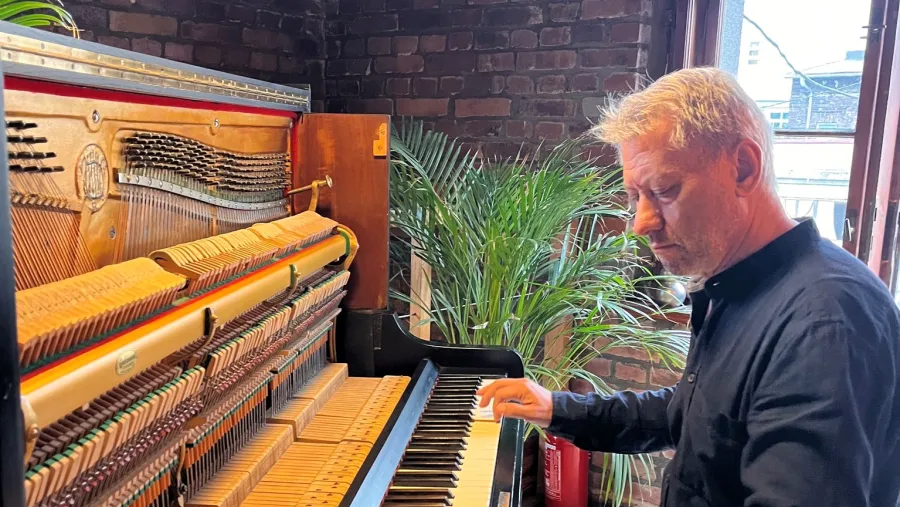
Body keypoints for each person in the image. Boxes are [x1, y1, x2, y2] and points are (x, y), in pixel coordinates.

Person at [476, 67, 900, 506]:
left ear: (743, 168)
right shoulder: (740, 286)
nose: (641, 223)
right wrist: (554, 407)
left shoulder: (826, 322)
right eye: (634, 197)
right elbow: (690, 413)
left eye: (664, 190)